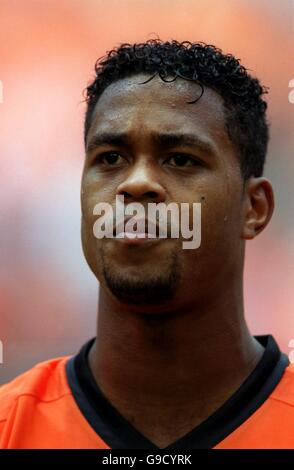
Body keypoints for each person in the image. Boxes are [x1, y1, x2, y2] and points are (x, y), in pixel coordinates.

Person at [0, 39, 293, 449]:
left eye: (180, 159)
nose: (136, 183)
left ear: (254, 207)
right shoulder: (9, 426)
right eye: (111, 158)